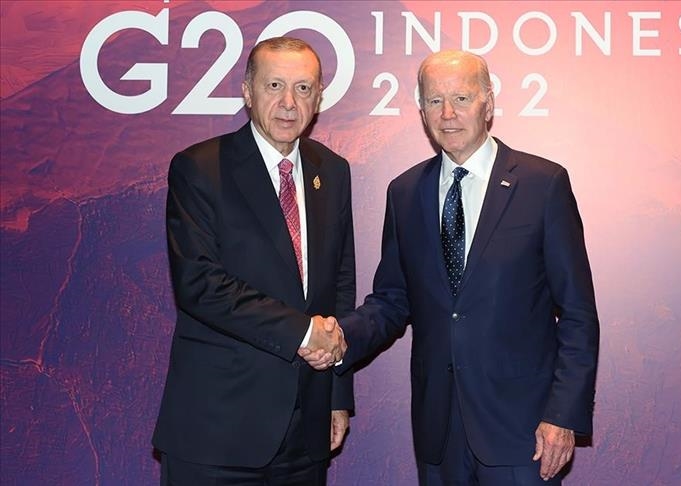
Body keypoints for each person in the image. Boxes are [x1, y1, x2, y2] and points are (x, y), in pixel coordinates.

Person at [302, 50, 600, 485]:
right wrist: (341, 337)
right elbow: (392, 301)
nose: (447, 113)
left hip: (524, 430)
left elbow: (577, 312)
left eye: (461, 98)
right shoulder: (405, 192)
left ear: (488, 103)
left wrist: (562, 414)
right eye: (434, 100)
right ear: (421, 110)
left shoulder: (543, 184)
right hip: (439, 432)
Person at [152, 36, 354, 485]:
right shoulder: (200, 167)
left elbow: (339, 286)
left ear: (319, 98)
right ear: (247, 90)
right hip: (218, 432)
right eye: (274, 85)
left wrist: (337, 393)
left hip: (306, 431)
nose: (288, 103)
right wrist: (303, 332)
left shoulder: (332, 170)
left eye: (303, 88)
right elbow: (200, 284)